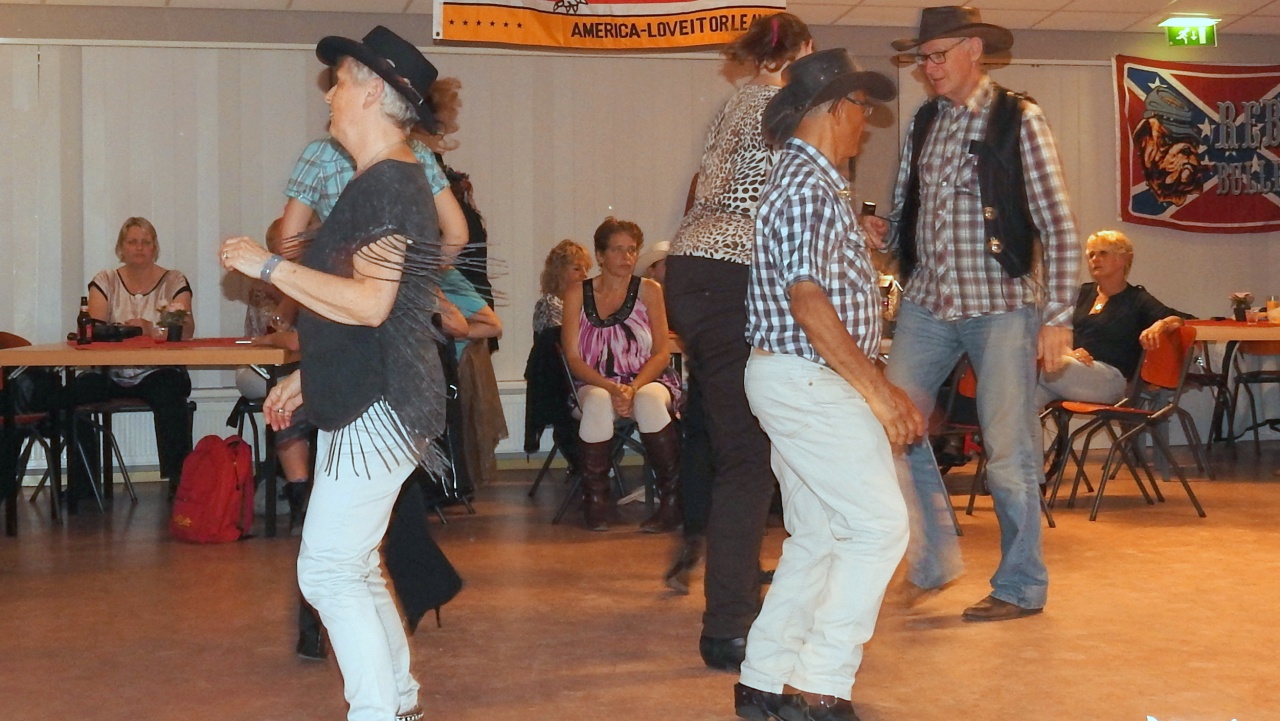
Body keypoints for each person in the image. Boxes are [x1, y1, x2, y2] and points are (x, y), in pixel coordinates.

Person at [219, 26, 463, 721]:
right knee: (351, 564)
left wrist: (268, 264)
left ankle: (378, 711)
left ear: (374, 92)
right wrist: (308, 374)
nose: (328, 93)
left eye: (341, 80)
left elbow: (370, 302)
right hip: (377, 394)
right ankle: (398, 701)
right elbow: (370, 310)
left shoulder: (387, 183)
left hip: (380, 405)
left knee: (327, 569)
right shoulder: (383, 180)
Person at [878, 5, 1080, 622]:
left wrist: (1058, 316)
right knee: (891, 424)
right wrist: (879, 231)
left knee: (1009, 453)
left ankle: (1021, 586)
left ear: (973, 49)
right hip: (928, 303)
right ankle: (934, 558)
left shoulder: (1020, 118)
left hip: (1002, 308)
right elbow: (903, 212)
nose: (928, 67)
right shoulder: (924, 121)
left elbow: (1059, 226)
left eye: (938, 55)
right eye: (922, 58)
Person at [735, 48, 918, 721]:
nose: (866, 123)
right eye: (862, 109)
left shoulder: (809, 184)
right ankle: (821, 684)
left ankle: (764, 678)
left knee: (817, 535)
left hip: (795, 378)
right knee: (877, 527)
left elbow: (811, 284)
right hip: (809, 380)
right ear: (836, 108)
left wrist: (855, 244)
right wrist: (879, 391)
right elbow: (807, 302)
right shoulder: (808, 186)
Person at [662, 11, 813, 672]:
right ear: (803, 51)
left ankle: (737, 574)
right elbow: (786, 203)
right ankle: (728, 625)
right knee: (747, 455)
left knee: (723, 435)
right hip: (731, 275)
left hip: (692, 271)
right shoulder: (784, 108)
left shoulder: (734, 103)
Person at [561, 217, 682, 532]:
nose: (626, 257)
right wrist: (612, 388)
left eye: (632, 250)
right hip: (594, 380)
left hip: (647, 378)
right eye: (617, 249)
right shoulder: (577, 293)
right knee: (598, 400)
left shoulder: (649, 290)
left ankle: (672, 501)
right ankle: (596, 500)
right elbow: (572, 357)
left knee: (649, 400)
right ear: (600, 255)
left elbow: (661, 353)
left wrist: (633, 387)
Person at [69, 216, 194, 502]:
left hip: (158, 371)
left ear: (155, 247)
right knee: (74, 395)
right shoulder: (105, 280)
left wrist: (149, 329)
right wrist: (130, 330)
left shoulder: (174, 280)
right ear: (121, 248)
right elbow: (94, 329)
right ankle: (85, 484)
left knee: (171, 392)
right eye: (132, 242)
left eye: (146, 242)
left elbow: (186, 330)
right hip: (111, 373)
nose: (139, 247)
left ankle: (179, 483)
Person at [1037, 229, 1189, 408]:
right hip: (1069, 371)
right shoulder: (1082, 293)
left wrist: (1160, 325)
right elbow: (1052, 328)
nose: (1095, 259)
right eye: (1091, 255)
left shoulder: (1137, 299)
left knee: (1030, 364)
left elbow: (1179, 320)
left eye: (1103, 253)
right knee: (1021, 402)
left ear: (1123, 259)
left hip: (1110, 380)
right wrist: (1070, 353)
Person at [235, 218, 311, 531]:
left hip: (311, 368)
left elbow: (293, 340)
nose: (294, 247)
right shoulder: (265, 285)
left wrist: (275, 338)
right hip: (266, 367)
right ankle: (299, 499)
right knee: (283, 400)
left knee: (289, 398)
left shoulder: (315, 278)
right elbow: (276, 330)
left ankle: (301, 494)